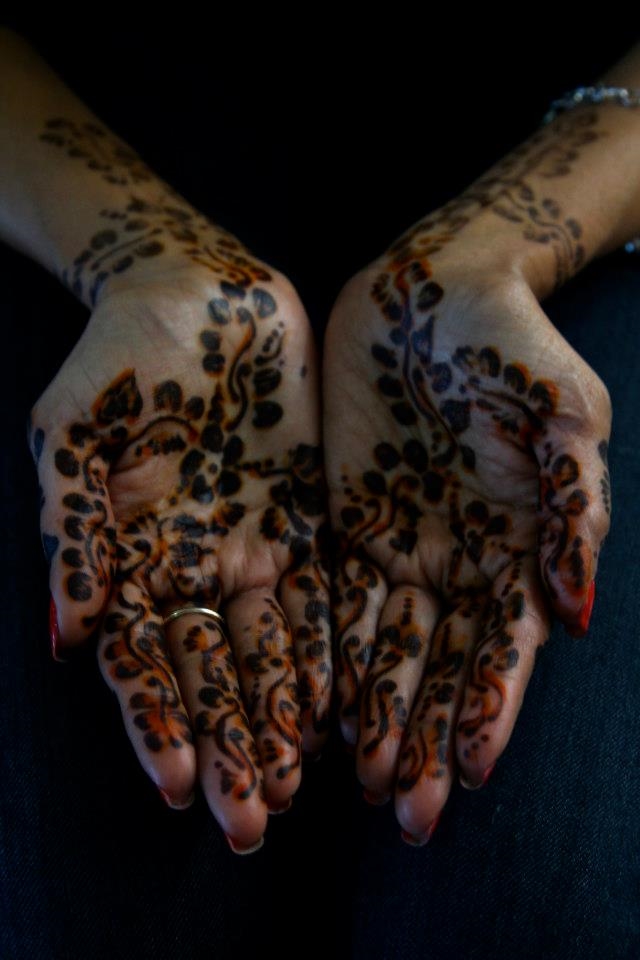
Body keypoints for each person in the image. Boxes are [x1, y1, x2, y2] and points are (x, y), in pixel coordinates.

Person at [1, 22, 639, 960]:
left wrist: (493, 254)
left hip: (567, 205)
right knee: (76, 919)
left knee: (536, 907)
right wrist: (143, 257)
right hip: (84, 188)